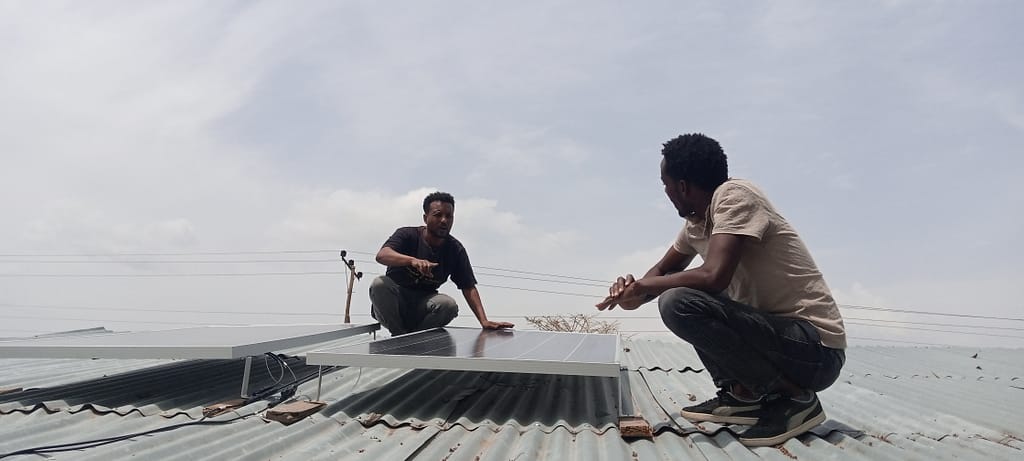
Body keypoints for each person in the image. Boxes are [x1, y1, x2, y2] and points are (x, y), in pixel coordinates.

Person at [596, 133, 846, 447]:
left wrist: (648, 286)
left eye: (666, 184)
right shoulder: (696, 224)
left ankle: (796, 400)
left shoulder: (735, 197)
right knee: (682, 295)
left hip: (816, 350)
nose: (666, 192)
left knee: (680, 301)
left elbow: (714, 276)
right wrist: (630, 294)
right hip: (781, 343)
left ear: (682, 187)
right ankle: (741, 395)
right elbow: (662, 271)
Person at [369, 191, 514, 336]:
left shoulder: (455, 249)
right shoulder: (407, 235)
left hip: (423, 307)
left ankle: (413, 341)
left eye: (449, 216)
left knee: (448, 305)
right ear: (425, 218)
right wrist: (412, 260)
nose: (444, 220)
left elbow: (468, 287)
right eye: (438, 215)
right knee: (379, 284)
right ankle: (399, 338)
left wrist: (484, 321)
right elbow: (382, 255)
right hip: (395, 305)